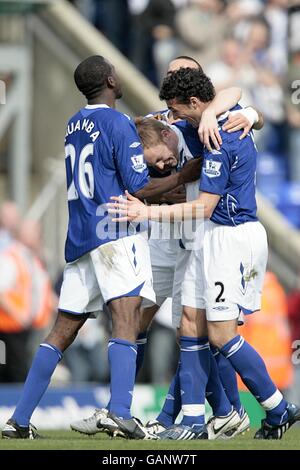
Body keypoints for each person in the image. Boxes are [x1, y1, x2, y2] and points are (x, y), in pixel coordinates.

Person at [108, 67, 300, 440]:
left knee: (223, 335)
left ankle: (278, 408)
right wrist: (218, 111)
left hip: (231, 237)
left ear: (194, 103)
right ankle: (193, 421)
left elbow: (204, 206)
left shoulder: (222, 136)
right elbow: (234, 91)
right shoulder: (212, 119)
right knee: (190, 325)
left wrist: (147, 212)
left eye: (178, 112)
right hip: (209, 238)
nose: (175, 120)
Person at [2, 55, 185, 441]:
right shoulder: (118, 121)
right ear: (110, 79)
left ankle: (19, 419)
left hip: (81, 236)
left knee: (61, 331)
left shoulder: (72, 124)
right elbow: (137, 186)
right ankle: (120, 411)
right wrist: (183, 175)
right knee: (126, 319)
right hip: (114, 233)